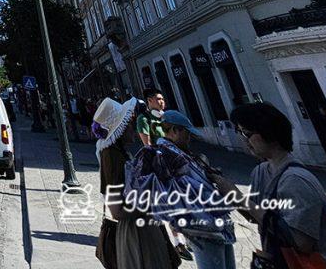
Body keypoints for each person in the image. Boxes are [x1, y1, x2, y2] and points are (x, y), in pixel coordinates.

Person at [211, 102, 326, 269]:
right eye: (240, 132)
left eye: (247, 133)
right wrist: (228, 192)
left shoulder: (296, 180)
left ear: (268, 133)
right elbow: (255, 215)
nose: (244, 139)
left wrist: (240, 198)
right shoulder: (260, 171)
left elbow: (301, 242)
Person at [128, 110, 236, 269]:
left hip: (213, 221)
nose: (189, 138)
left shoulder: (179, 152)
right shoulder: (166, 154)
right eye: (186, 133)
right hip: (202, 225)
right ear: (174, 130)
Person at [93, 96, 179, 269]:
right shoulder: (113, 158)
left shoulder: (119, 154)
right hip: (136, 232)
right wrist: (151, 204)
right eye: (129, 123)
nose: (133, 128)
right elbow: (117, 210)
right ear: (121, 128)